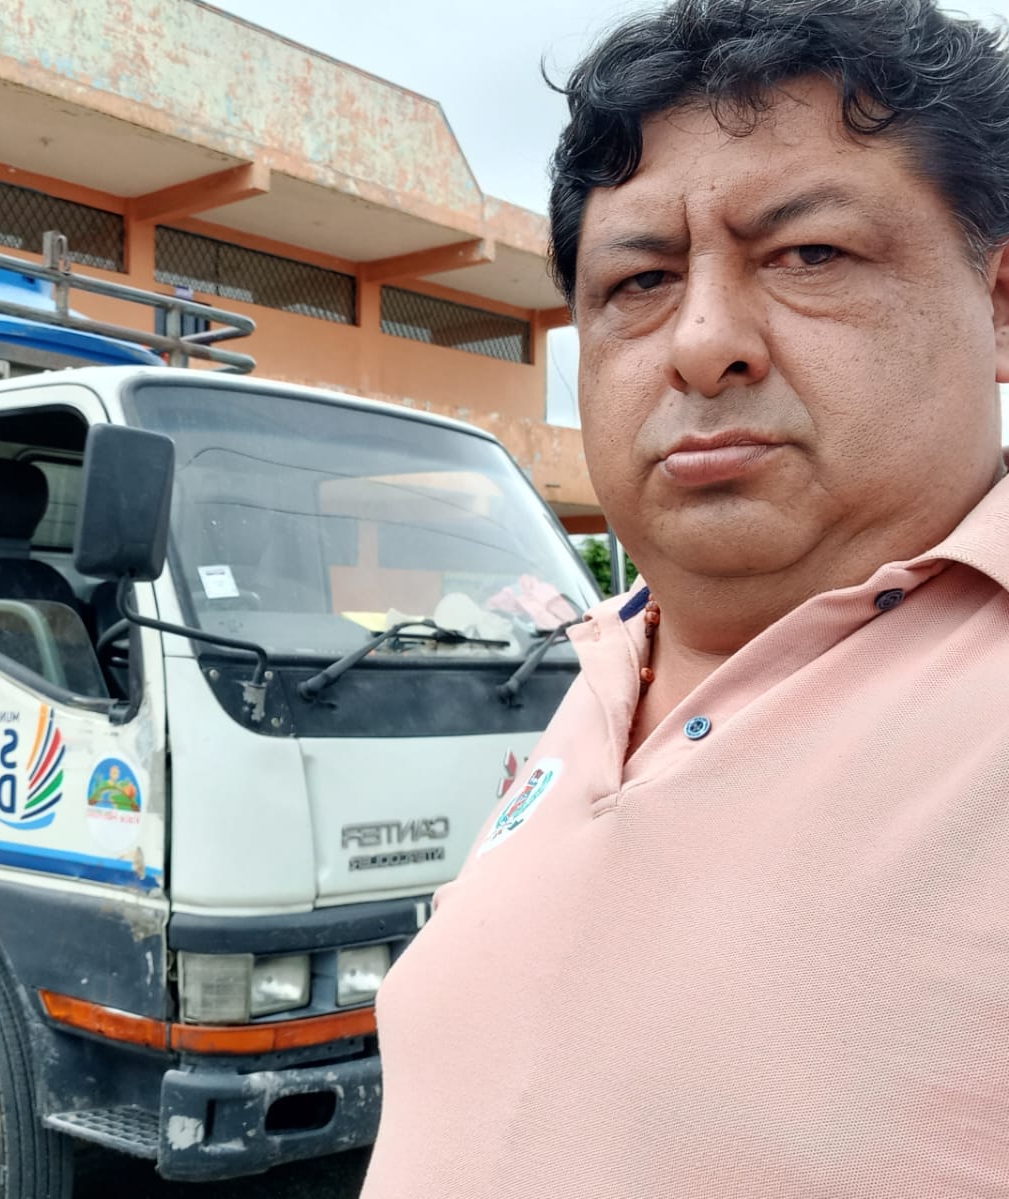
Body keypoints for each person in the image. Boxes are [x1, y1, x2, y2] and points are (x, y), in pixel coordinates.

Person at [362, 1, 1009, 1195]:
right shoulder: (602, 665)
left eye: (810, 254)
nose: (702, 342)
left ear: (1000, 301)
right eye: (642, 279)